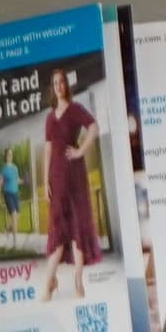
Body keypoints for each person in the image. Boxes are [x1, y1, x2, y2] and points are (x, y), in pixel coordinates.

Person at [37, 66, 102, 300]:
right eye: (55, 83)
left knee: (77, 230)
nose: (59, 86)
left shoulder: (75, 110)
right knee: (57, 232)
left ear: (66, 85)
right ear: (53, 88)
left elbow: (94, 127)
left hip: (74, 178)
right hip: (55, 178)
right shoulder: (49, 117)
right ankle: (49, 283)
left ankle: (78, 282)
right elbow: (47, 150)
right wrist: (45, 182)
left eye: (62, 82)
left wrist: (80, 150)